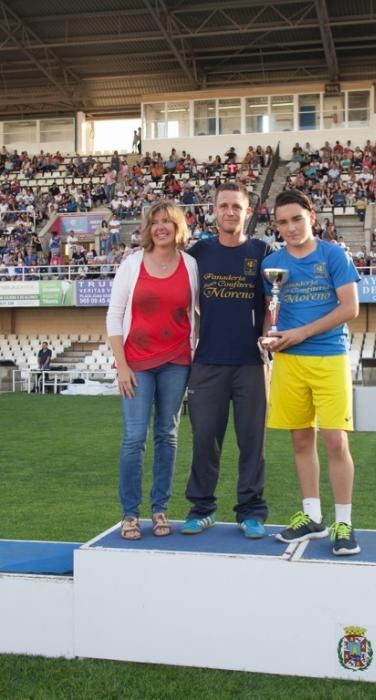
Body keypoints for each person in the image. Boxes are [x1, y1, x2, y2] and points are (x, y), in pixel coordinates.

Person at [260, 189, 361, 556]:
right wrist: (270, 335)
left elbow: (350, 308)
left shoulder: (333, 255)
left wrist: (301, 333)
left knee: (335, 441)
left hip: (329, 357)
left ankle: (344, 522)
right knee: (301, 441)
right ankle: (313, 517)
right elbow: (274, 308)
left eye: (296, 219)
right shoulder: (272, 263)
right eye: (283, 222)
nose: (290, 227)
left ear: (311, 217)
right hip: (288, 362)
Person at [181, 182, 271, 539]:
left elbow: (270, 304)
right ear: (214, 211)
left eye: (237, 206)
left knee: (252, 442)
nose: (230, 212)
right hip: (206, 362)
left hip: (250, 362)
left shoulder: (262, 251)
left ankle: (251, 512)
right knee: (205, 440)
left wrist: (267, 338)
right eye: (224, 206)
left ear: (248, 212)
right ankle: (202, 508)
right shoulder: (198, 253)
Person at [106, 201, 199, 541]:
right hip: (136, 364)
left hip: (176, 361)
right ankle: (130, 514)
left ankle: (160, 508)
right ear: (148, 228)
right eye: (155, 222)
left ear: (178, 227)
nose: (161, 227)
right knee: (134, 439)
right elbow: (114, 317)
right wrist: (122, 367)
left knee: (167, 436)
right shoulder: (132, 264)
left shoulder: (190, 265)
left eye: (168, 221)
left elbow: (197, 315)